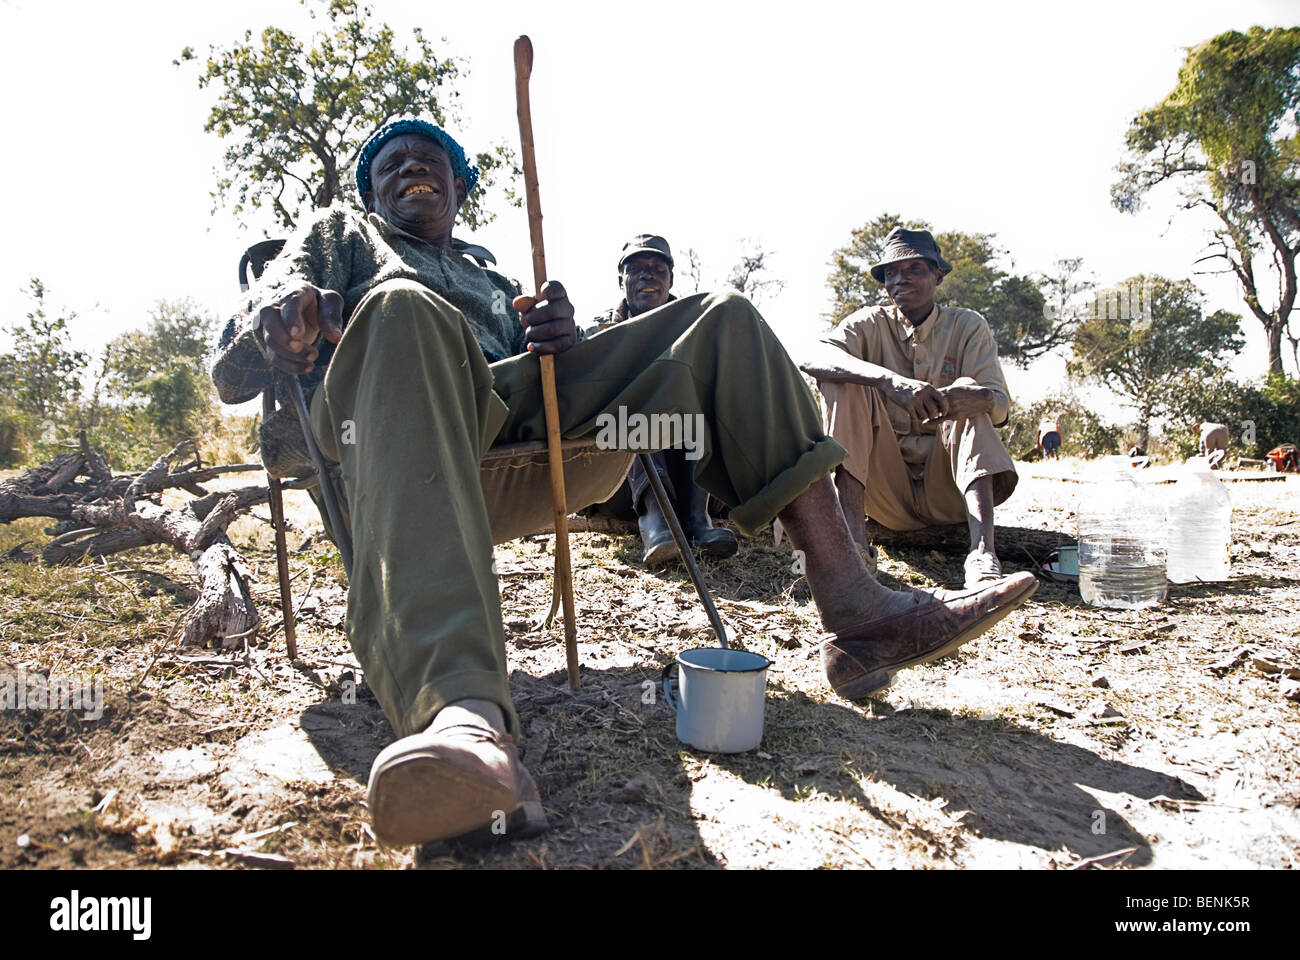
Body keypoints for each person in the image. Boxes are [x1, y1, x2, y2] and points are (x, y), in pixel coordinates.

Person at [212, 120, 1038, 848]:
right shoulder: (342, 236)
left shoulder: (490, 273)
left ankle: (855, 608)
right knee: (397, 306)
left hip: (546, 449)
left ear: (462, 187)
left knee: (723, 314)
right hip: (402, 448)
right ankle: (462, 718)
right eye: (390, 163)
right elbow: (231, 362)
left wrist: (557, 337)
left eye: (431, 160)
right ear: (368, 191)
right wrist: (276, 319)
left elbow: (540, 378)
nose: (410, 169)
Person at [800, 227, 1020, 590]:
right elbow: (813, 356)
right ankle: (854, 545)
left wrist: (970, 399)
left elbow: (998, 405)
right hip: (884, 494)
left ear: (938, 274)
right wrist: (888, 381)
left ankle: (983, 553)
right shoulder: (868, 323)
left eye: (914, 268)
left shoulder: (967, 325)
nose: (901, 279)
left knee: (970, 392)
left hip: (949, 491)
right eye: (891, 272)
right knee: (846, 377)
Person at [583, 233, 738, 567]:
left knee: (692, 382)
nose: (647, 274)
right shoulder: (597, 335)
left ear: (671, 279)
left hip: (693, 478)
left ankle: (698, 520)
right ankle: (656, 517)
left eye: (657, 268)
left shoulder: (695, 328)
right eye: (636, 268)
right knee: (636, 391)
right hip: (618, 483)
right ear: (620, 279)